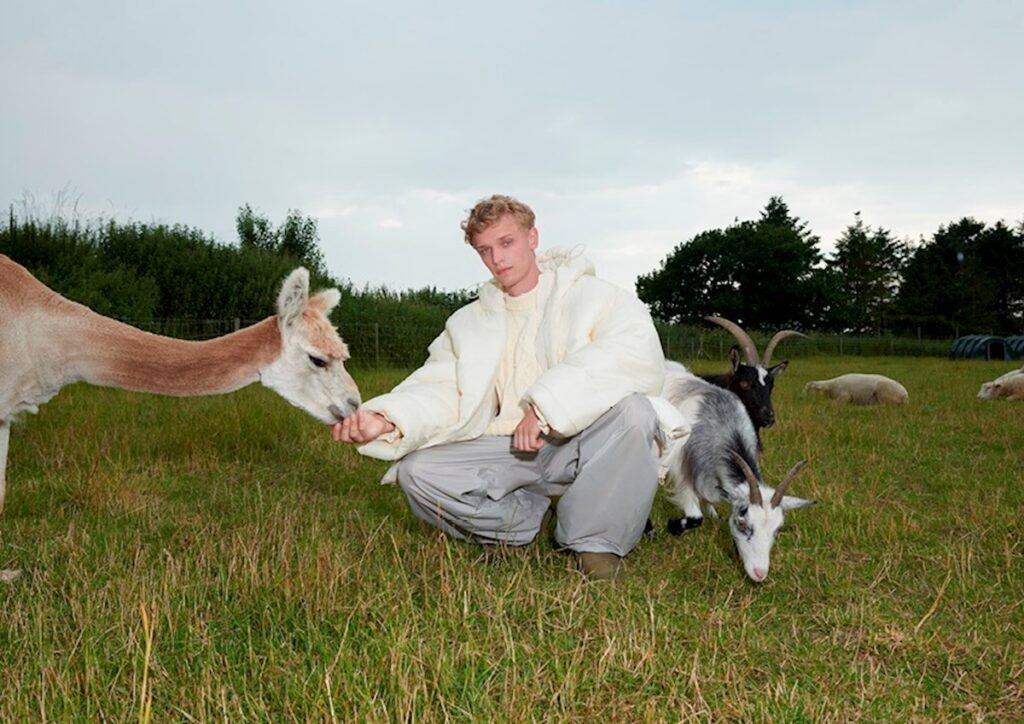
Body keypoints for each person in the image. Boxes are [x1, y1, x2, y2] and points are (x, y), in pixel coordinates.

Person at [331, 195, 685, 581]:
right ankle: (514, 528)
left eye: (506, 242)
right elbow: (444, 385)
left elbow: (632, 351)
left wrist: (546, 406)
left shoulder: (594, 296)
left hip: (581, 441)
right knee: (417, 472)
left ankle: (595, 543)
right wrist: (388, 418)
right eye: (485, 250)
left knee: (636, 413)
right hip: (508, 447)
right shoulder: (469, 321)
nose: (497, 258)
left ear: (532, 237)